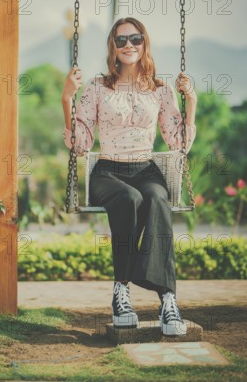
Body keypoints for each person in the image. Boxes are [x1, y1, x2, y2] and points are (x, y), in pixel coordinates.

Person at [61, 17, 197, 335]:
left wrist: (191, 100)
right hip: (108, 171)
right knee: (129, 198)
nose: (128, 46)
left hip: (145, 168)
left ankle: (168, 299)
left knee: (157, 198)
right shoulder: (96, 88)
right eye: (121, 40)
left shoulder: (161, 91)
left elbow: (178, 142)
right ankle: (121, 290)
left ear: (144, 43)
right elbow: (80, 144)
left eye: (134, 39)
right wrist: (66, 99)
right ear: (113, 46)